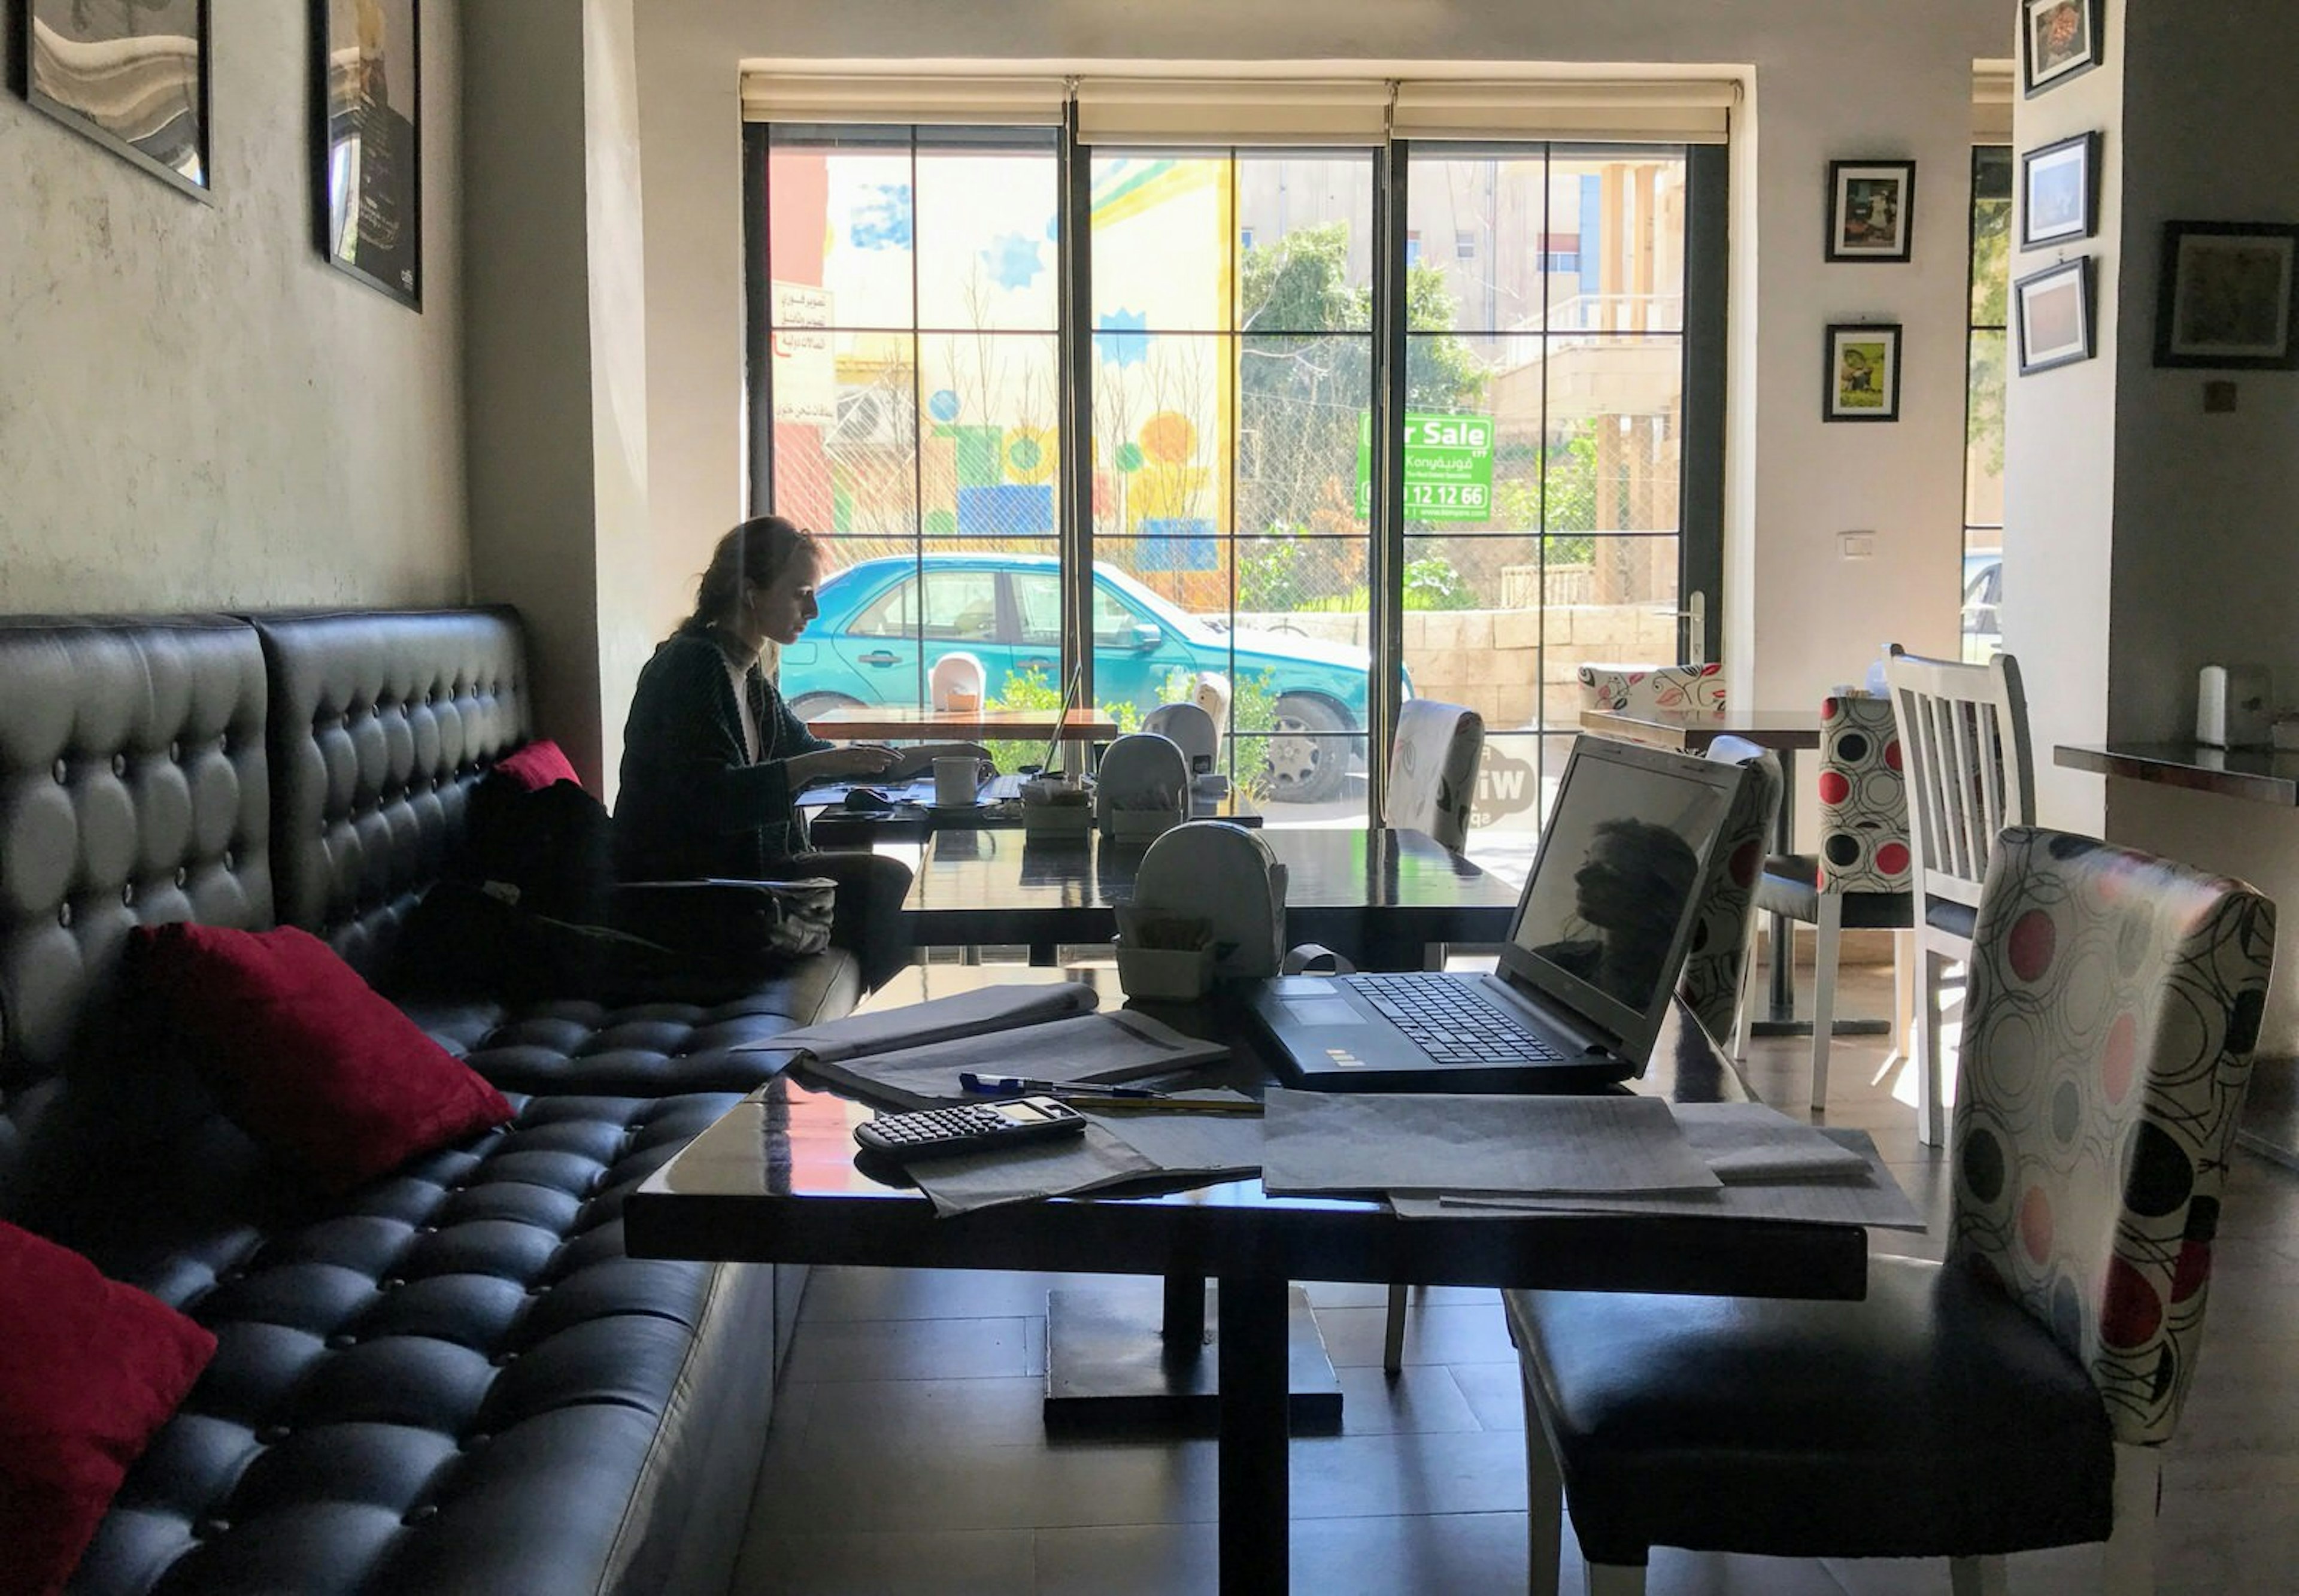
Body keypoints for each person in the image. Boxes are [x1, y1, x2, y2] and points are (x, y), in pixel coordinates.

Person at [615, 515, 967, 989]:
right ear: (750, 592)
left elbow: (813, 754)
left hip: (740, 883)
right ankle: (875, 1039)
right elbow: (708, 801)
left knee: (882, 884)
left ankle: (873, 1037)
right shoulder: (692, 668)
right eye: (802, 592)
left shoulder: (745, 673)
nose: (815, 609)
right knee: (884, 886)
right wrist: (820, 764)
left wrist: (925, 757)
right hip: (689, 897)